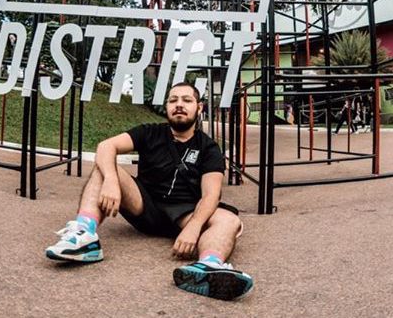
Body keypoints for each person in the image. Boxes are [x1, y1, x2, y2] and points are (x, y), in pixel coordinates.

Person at [44, 82, 253, 301]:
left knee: (230, 221)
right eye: (173, 100)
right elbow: (106, 146)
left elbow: (211, 194)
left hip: (185, 214)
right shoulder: (149, 132)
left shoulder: (209, 147)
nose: (179, 105)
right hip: (144, 205)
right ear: (167, 106)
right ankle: (84, 237)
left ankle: (207, 267)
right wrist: (111, 182)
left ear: (199, 108)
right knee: (105, 167)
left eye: (186, 100)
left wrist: (193, 227)